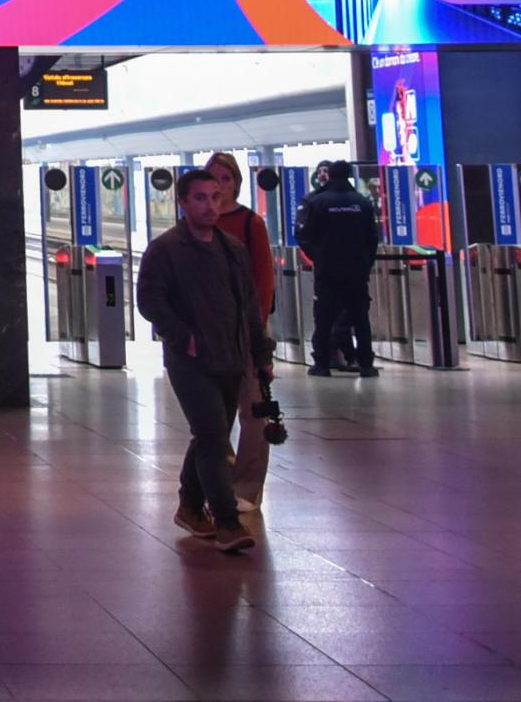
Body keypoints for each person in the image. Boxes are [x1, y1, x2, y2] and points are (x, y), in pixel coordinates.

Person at [137, 168, 271, 555]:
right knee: (214, 437)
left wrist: (260, 356)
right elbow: (150, 301)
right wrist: (185, 338)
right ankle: (226, 520)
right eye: (201, 198)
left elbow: (248, 307)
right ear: (183, 203)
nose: (210, 205)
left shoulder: (232, 248)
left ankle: (190, 506)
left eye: (215, 197)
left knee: (209, 436)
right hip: (191, 360)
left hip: (231, 357)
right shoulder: (165, 249)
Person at [203, 153, 281, 508]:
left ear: (236, 182)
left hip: (247, 329)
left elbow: (264, 279)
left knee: (253, 410)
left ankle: (248, 487)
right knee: (213, 414)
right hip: (208, 330)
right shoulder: (197, 224)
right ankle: (219, 484)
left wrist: (257, 330)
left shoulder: (251, 223)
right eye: (213, 178)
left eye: (226, 177)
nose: (219, 184)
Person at [294, 160, 384, 377]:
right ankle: (366, 364)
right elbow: (372, 239)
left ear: (331, 176)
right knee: (360, 318)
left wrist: (319, 256)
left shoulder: (319, 202)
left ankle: (322, 364)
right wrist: (365, 262)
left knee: (324, 318)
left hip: (327, 270)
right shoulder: (362, 203)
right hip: (356, 270)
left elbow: (304, 234)